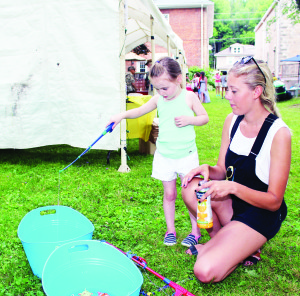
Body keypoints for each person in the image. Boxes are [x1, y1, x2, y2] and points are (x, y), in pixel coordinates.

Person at [181, 56, 291, 283]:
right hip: (233, 205)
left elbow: (274, 202)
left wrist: (233, 187)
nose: (227, 96)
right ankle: (233, 246)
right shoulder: (232, 121)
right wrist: (208, 169)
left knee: (204, 271)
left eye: (233, 91)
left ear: (256, 92)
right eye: (227, 90)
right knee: (190, 188)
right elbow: (222, 169)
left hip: (260, 214)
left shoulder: (279, 134)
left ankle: (225, 246)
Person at [107, 57, 209, 247]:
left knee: (189, 195)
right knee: (169, 194)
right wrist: (121, 115)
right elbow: (140, 111)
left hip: (186, 155)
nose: (161, 93)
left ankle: (195, 231)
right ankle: (171, 230)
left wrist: (190, 119)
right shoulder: (159, 99)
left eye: (165, 88)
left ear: (178, 79)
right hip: (164, 155)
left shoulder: (189, 97)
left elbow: (204, 118)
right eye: (157, 88)